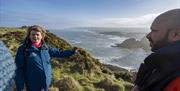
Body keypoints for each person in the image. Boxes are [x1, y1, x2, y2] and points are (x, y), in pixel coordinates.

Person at [15, 25, 79, 91]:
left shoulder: (46, 47)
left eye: (37, 34)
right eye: (33, 34)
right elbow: (18, 69)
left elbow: (59, 53)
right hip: (32, 85)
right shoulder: (23, 49)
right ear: (29, 36)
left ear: (42, 36)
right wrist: (20, 88)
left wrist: (72, 51)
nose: (35, 37)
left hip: (46, 84)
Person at [132, 9, 180, 91]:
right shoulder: (162, 63)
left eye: (154, 30)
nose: (148, 36)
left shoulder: (177, 81)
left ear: (175, 35)